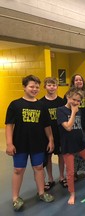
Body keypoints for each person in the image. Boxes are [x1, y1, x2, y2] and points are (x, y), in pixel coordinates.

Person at [5, 75, 55, 211]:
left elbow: (47, 125)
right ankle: (15, 198)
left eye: (37, 87)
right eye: (31, 86)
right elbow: (9, 125)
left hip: (38, 143)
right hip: (20, 143)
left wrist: (50, 139)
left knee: (38, 168)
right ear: (24, 87)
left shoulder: (42, 105)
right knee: (18, 170)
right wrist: (9, 143)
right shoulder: (15, 105)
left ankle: (41, 193)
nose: (34, 89)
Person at [56, 88, 85, 205]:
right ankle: (72, 194)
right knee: (70, 172)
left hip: (80, 143)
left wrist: (76, 111)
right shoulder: (61, 110)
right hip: (67, 145)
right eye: (74, 99)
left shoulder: (79, 111)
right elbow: (68, 127)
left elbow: (78, 127)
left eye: (78, 101)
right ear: (68, 97)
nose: (76, 102)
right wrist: (73, 112)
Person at [40, 77, 66, 190]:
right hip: (47, 134)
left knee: (61, 155)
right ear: (45, 86)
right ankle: (50, 179)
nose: (52, 87)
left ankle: (61, 176)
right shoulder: (40, 102)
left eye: (54, 85)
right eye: (49, 85)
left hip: (60, 133)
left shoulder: (62, 101)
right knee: (48, 156)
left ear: (57, 87)